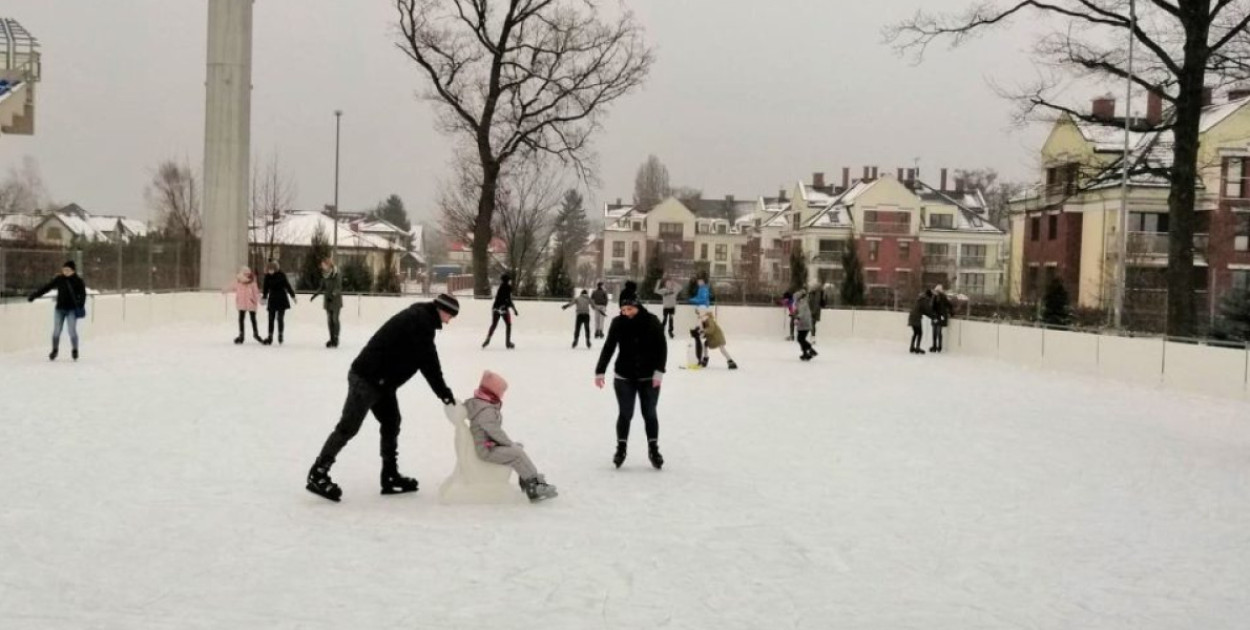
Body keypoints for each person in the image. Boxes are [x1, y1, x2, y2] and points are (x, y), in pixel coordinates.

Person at [306, 294, 461, 502]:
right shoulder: (420, 322)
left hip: (382, 383)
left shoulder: (422, 319)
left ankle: (389, 475)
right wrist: (444, 393)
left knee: (391, 421)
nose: (449, 321)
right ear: (442, 310)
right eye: (450, 316)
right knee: (348, 427)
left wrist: (443, 392)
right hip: (367, 378)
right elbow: (428, 363)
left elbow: (426, 359)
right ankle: (318, 473)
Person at [595, 296, 667, 470]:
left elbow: (661, 347)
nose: (626, 313)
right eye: (623, 310)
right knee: (625, 413)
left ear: (638, 307)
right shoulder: (618, 323)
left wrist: (659, 371)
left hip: (649, 376)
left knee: (650, 413)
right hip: (624, 376)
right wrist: (600, 370)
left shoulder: (652, 321)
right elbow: (609, 346)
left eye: (629, 309)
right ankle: (621, 448)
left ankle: (654, 449)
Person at [466, 370, 557, 502]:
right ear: (493, 392)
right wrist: (508, 444)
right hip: (485, 450)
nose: (502, 395)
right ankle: (534, 486)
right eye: (501, 392)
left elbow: (492, 433)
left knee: (517, 449)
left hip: (486, 445)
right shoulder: (486, 410)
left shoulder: (481, 404)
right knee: (516, 452)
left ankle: (529, 479)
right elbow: (494, 432)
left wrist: (508, 444)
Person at [28, 260, 87, 361]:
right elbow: (46, 287)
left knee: (72, 331)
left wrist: (80, 305)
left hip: (71, 310)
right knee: (56, 331)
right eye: (64, 269)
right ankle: (54, 350)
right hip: (59, 309)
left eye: (68, 270)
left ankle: (75, 349)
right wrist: (34, 295)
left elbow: (83, 294)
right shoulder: (59, 279)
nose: (66, 272)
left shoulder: (78, 280)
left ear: (73, 271)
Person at [223, 266, 263, 345]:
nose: (247, 275)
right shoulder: (238, 282)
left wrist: (260, 300)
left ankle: (255, 334)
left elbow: (256, 293)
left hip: (251, 303)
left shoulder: (252, 282)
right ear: (242, 274)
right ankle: (241, 335)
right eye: (245, 274)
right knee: (241, 319)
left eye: (248, 273)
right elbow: (231, 286)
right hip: (241, 303)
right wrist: (225, 290)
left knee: (253, 319)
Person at [309, 258, 343, 348]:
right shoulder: (324, 275)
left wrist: (333, 294)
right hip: (327, 301)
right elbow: (321, 287)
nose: (323, 267)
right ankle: (331, 338)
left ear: (328, 265)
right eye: (322, 265)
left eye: (324, 265)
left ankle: (336, 338)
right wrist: (314, 295)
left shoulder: (336, 274)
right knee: (329, 320)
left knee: (335, 319)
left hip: (335, 301)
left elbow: (338, 287)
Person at [262, 260, 296, 345]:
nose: (270, 271)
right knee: (271, 318)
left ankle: (280, 334)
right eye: (269, 269)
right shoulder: (267, 277)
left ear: (275, 269)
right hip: (272, 299)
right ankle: (270, 336)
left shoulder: (281, 275)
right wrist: (264, 297)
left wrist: (293, 296)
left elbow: (287, 286)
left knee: (280, 318)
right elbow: (265, 288)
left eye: (272, 269)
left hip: (281, 298)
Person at [482, 272, 518, 349]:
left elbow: (499, 298)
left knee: (494, 324)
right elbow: (509, 299)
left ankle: (488, 338)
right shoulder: (508, 287)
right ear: (508, 280)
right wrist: (514, 309)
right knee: (508, 324)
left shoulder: (500, 287)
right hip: (503, 308)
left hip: (495, 308)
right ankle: (508, 343)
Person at [909, 289, 935, 355]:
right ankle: (917, 347)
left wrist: (931, 316)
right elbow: (927, 311)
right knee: (920, 333)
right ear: (929, 296)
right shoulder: (924, 300)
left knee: (915, 332)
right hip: (916, 317)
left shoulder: (920, 299)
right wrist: (933, 316)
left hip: (912, 316)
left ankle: (912, 347)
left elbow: (923, 311)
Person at [794, 288, 817, 361]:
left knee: (800, 339)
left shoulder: (803, 303)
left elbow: (802, 312)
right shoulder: (800, 302)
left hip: (805, 323)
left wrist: (797, 318)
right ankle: (805, 353)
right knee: (801, 339)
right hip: (802, 323)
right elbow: (798, 311)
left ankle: (810, 350)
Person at [930, 285, 952, 353]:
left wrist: (951, 312)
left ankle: (938, 346)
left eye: (937, 291)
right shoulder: (934, 297)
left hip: (940, 316)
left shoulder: (943, 297)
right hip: (936, 316)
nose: (937, 292)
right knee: (935, 332)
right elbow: (931, 306)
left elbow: (949, 305)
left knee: (938, 332)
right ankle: (935, 346)